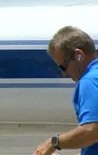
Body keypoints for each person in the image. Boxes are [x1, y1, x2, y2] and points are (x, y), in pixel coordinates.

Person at [34, 26, 98, 155]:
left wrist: (54, 142)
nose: (65, 74)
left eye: (63, 66)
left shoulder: (89, 80)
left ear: (79, 55)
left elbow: (92, 132)